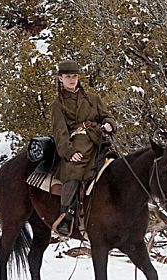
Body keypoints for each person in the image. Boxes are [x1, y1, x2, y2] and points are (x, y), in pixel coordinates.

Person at [49, 59, 116, 236]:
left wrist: (109, 124)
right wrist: (69, 152)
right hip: (75, 145)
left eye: (74, 76)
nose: (72, 80)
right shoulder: (58, 105)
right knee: (74, 171)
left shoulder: (93, 99)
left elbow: (107, 116)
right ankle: (66, 216)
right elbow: (60, 133)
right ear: (60, 78)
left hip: (98, 140)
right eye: (68, 77)